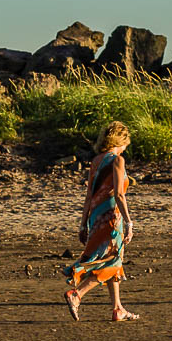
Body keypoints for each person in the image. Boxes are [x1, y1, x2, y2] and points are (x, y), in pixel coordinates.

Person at [63, 121, 138, 322]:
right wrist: (129, 223)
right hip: (112, 218)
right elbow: (120, 195)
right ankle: (77, 294)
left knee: (111, 260)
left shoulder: (96, 160)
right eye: (126, 144)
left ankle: (117, 309)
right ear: (120, 141)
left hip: (96, 216)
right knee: (113, 260)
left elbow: (89, 194)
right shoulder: (117, 161)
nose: (126, 148)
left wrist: (83, 223)